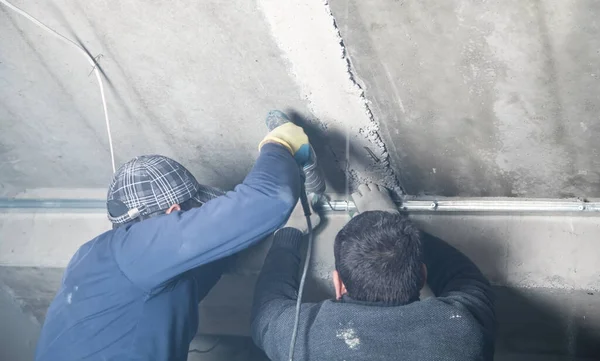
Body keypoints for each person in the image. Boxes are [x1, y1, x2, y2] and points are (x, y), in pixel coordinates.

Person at [34, 117, 311, 361]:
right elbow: (268, 199)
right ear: (173, 213)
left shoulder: (98, 259)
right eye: (196, 210)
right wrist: (279, 144)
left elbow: (203, 266)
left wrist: (281, 236)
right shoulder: (136, 251)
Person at [251, 183, 496, 361]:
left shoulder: (299, 340)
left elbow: (267, 308)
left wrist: (289, 233)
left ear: (338, 285)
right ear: (422, 276)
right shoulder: (462, 335)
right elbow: (468, 280)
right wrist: (396, 224)